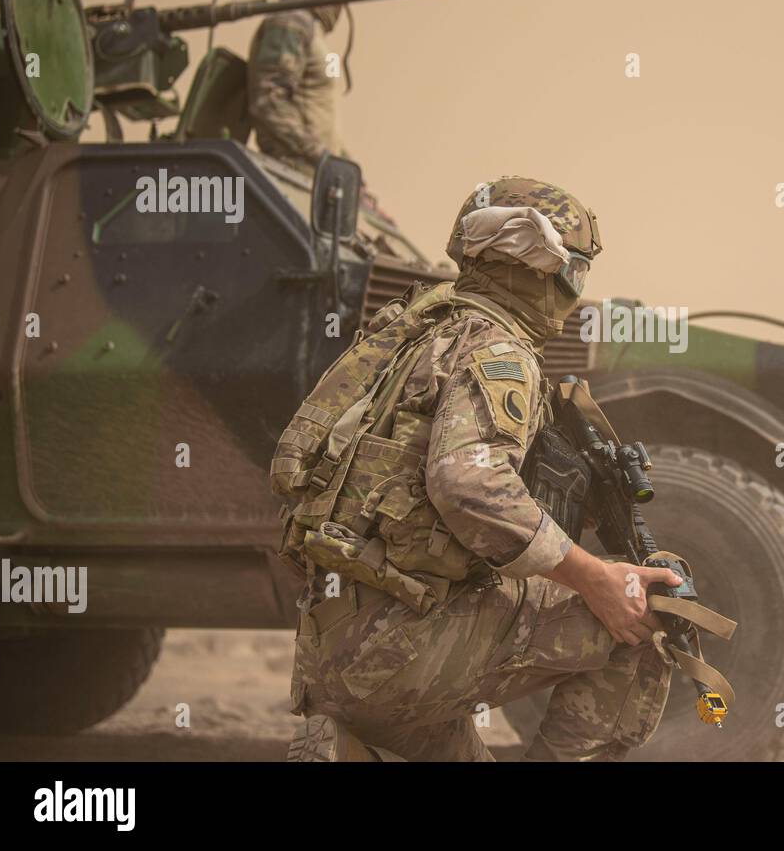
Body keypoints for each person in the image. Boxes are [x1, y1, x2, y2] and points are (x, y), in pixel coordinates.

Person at [282, 177, 677, 761]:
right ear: (536, 265)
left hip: (337, 644)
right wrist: (597, 577)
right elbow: (470, 485)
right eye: (575, 271)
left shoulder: (414, 331)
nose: (576, 290)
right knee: (652, 616)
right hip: (404, 648)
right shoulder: (499, 352)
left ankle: (349, 742)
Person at [247, 0, 367, 173]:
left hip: (312, 175)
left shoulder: (309, 29)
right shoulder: (291, 23)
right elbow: (270, 101)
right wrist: (321, 157)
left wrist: (345, 166)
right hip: (293, 171)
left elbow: (316, 118)